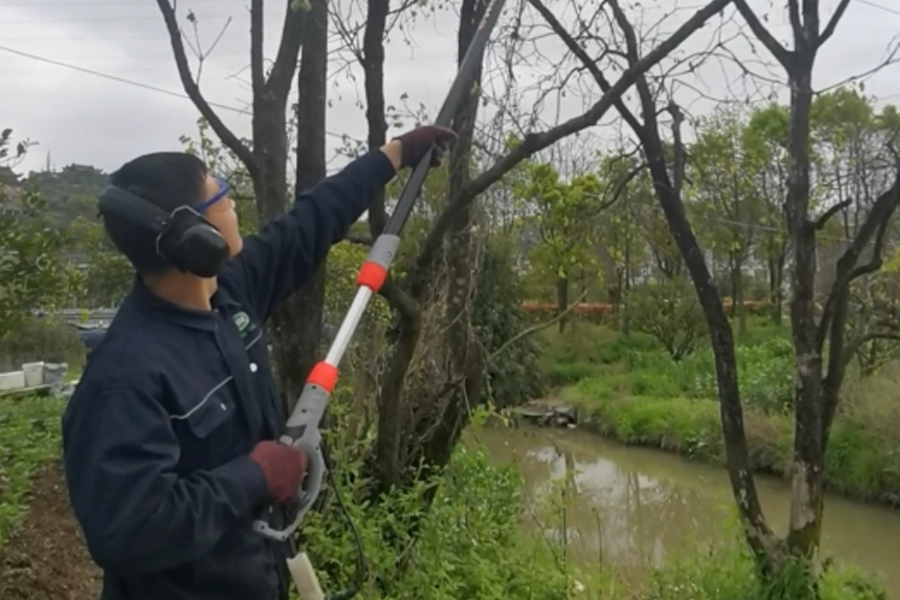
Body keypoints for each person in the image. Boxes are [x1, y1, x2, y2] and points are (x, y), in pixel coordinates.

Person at [61, 125, 457, 600]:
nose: (233, 206)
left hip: (257, 577)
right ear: (194, 237)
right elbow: (128, 531)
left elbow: (311, 221)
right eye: (222, 198)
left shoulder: (228, 294)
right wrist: (256, 476)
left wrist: (394, 155)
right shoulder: (125, 377)